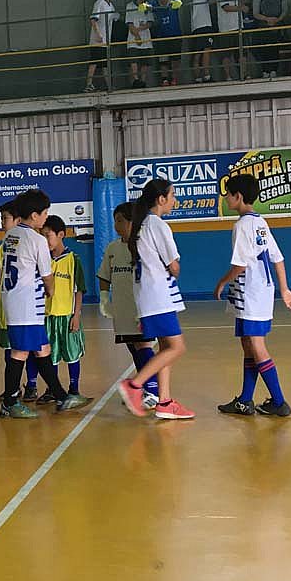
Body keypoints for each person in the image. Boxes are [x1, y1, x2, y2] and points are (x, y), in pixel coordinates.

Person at [0, 189, 90, 418]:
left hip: (17, 302)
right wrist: (50, 290)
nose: (46, 216)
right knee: (20, 352)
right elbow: (47, 275)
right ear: (34, 215)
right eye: (45, 213)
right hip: (26, 305)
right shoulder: (37, 240)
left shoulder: (10, 236)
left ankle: (61, 396)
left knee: (43, 350)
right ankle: (9, 402)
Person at [214, 174, 291, 417]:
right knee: (248, 344)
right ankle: (245, 400)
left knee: (256, 345)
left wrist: (222, 282)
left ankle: (279, 402)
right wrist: (284, 289)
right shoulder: (260, 222)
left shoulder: (242, 226)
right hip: (261, 290)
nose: (226, 198)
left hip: (250, 292)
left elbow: (240, 265)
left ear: (238, 196)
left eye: (228, 194)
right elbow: (278, 258)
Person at [117, 178, 194, 420]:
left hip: (149, 298)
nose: (174, 200)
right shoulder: (158, 225)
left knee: (165, 348)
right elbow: (173, 265)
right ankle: (134, 385)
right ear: (161, 199)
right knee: (177, 347)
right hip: (159, 297)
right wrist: (175, 268)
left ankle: (165, 401)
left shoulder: (141, 226)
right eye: (172, 196)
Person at [97, 202, 159, 406]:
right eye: (115, 221)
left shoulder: (143, 245)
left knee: (143, 345)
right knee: (133, 346)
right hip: (122, 308)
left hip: (140, 307)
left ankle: (153, 391)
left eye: (120, 221)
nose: (116, 225)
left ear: (133, 221)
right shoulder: (113, 248)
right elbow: (104, 275)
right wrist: (104, 299)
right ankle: (140, 387)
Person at [36, 215, 87, 402]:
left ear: (61, 235)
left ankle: (74, 389)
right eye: (42, 236)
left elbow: (79, 290)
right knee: (51, 355)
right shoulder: (42, 260)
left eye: (47, 235)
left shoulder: (73, 259)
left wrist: (76, 315)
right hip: (47, 316)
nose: (45, 240)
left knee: (72, 354)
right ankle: (52, 389)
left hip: (67, 315)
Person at [0, 199, 38, 401]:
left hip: (27, 309)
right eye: (1, 218)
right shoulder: (3, 246)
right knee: (10, 351)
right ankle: (12, 389)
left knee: (28, 350)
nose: (2, 222)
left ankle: (31, 385)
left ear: (18, 220)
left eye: (5, 218)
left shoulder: (31, 241)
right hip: (8, 309)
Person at [251, 0, 286, 78]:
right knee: (263, 45)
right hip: (263, 25)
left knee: (274, 46)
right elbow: (255, 13)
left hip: (277, 25)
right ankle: (265, 70)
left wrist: (277, 20)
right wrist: (267, 19)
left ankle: (274, 69)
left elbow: (284, 11)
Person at [86, 0, 118, 92]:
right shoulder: (99, 3)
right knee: (94, 62)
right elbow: (93, 19)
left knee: (105, 64)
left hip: (105, 40)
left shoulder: (110, 5)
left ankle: (109, 85)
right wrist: (98, 34)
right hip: (98, 40)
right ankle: (89, 84)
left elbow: (115, 17)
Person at [215, 0, 245, 81]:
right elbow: (226, 7)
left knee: (242, 52)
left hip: (239, 25)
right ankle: (228, 76)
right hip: (226, 27)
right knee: (226, 54)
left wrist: (242, 2)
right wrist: (240, 8)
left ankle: (244, 74)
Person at [150, 0, 184, 86]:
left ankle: (174, 79)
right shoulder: (155, 3)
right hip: (161, 36)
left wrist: (176, 3)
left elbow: (179, 2)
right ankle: (164, 79)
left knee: (175, 59)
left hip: (175, 35)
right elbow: (147, 7)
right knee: (163, 60)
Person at [188, 0, 216, 83]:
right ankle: (207, 75)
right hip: (204, 22)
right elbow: (210, 0)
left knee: (197, 51)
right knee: (206, 49)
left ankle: (197, 77)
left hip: (195, 24)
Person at [124, 0, 154, 89]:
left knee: (145, 61)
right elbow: (129, 23)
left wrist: (141, 28)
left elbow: (150, 22)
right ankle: (136, 80)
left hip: (145, 36)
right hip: (133, 37)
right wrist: (136, 35)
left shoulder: (148, 6)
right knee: (134, 60)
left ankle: (143, 80)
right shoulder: (130, 6)